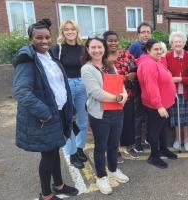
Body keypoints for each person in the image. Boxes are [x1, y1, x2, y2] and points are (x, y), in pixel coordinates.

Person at [12, 18, 78, 200]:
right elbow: (21, 91)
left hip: (58, 112)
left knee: (54, 150)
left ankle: (59, 185)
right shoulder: (27, 60)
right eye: (39, 38)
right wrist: (45, 112)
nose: (44, 41)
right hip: (45, 117)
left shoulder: (50, 56)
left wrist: (70, 109)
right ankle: (46, 195)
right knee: (48, 156)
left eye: (47, 37)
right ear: (30, 39)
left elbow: (60, 85)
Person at [81, 36, 129, 195]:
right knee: (101, 147)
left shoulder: (109, 65)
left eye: (99, 47)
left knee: (114, 144)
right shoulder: (86, 69)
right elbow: (96, 93)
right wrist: (118, 98)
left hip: (117, 111)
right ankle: (101, 176)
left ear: (104, 48)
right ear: (87, 50)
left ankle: (113, 169)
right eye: (93, 47)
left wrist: (124, 95)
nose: (97, 50)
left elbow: (120, 83)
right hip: (100, 115)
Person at [51, 20, 88, 169]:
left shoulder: (83, 49)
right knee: (69, 120)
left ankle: (79, 148)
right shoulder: (58, 48)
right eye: (66, 29)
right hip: (66, 86)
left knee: (83, 119)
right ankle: (72, 153)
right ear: (62, 32)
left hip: (82, 84)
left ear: (77, 31)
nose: (70, 32)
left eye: (72, 29)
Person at [137, 39, 177, 169]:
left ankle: (163, 149)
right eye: (156, 49)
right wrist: (159, 106)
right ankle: (154, 156)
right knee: (154, 131)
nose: (159, 51)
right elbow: (151, 86)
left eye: (160, 49)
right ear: (148, 51)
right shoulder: (148, 64)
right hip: (156, 105)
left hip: (164, 103)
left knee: (162, 129)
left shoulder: (156, 61)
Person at [103, 30, 139, 160]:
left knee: (128, 121)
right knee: (113, 124)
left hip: (126, 94)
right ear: (105, 42)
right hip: (110, 97)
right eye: (110, 40)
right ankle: (114, 149)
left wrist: (134, 75)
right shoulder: (102, 57)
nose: (113, 43)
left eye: (115, 40)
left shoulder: (126, 54)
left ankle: (129, 145)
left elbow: (136, 69)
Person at [166, 31, 188, 152]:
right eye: (175, 42)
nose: (178, 44)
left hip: (186, 91)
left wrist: (179, 79)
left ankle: (187, 139)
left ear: (184, 43)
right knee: (176, 118)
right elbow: (166, 75)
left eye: (180, 42)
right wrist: (171, 79)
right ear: (172, 43)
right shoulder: (167, 56)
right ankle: (178, 139)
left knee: (187, 119)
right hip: (173, 92)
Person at [128, 22, 153, 153]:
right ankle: (137, 143)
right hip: (138, 86)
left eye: (148, 32)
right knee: (138, 115)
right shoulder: (134, 47)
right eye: (143, 32)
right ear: (138, 34)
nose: (146, 34)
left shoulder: (153, 45)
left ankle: (148, 139)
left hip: (151, 86)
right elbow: (129, 64)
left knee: (150, 114)